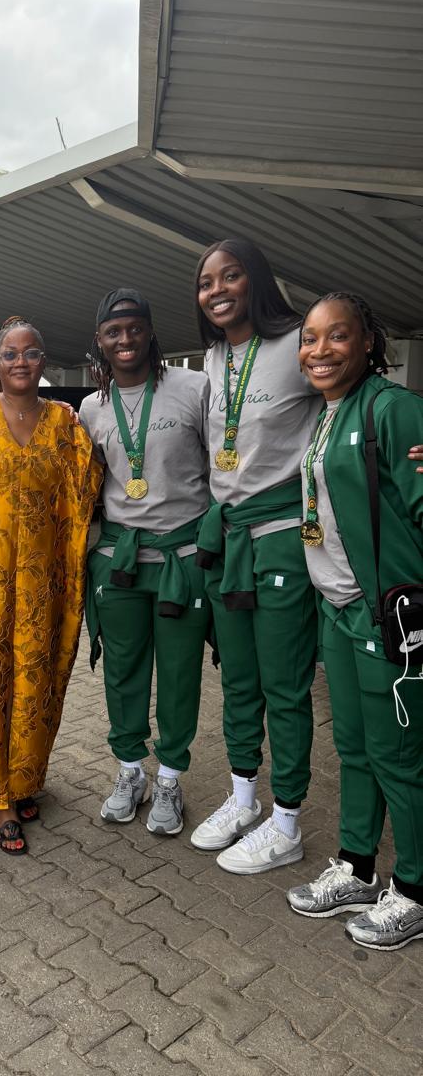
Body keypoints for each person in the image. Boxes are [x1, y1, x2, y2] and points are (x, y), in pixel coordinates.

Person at [285, 292, 423, 950]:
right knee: (356, 750)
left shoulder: (392, 409)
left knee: (400, 758)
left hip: (386, 617)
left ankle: (415, 890)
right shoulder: (328, 414)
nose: (319, 350)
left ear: (368, 342)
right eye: (309, 339)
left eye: (336, 336)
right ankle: (359, 868)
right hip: (337, 611)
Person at [0, 317, 102, 854]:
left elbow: (86, 486)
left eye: (31, 353)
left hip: (39, 583)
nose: (20, 362)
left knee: (34, 681)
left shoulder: (64, 424)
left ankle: (24, 778)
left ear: (43, 362)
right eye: (10, 354)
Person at [188, 237, 322, 874]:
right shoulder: (214, 358)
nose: (217, 291)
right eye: (206, 282)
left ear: (256, 281)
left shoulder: (298, 342)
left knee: (284, 685)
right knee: (237, 679)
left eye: (230, 276)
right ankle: (244, 800)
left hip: (281, 537)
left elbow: (353, 398)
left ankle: (287, 822)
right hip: (229, 538)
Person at [78, 290, 211, 836]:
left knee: (179, 673)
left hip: (183, 557)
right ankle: (130, 770)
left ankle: (171, 778)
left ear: (151, 332)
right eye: (113, 332)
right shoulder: (92, 408)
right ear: (100, 341)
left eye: (135, 328)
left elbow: (224, 466)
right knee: (123, 669)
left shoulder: (195, 388)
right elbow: (87, 488)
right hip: (120, 561)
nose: (125, 339)